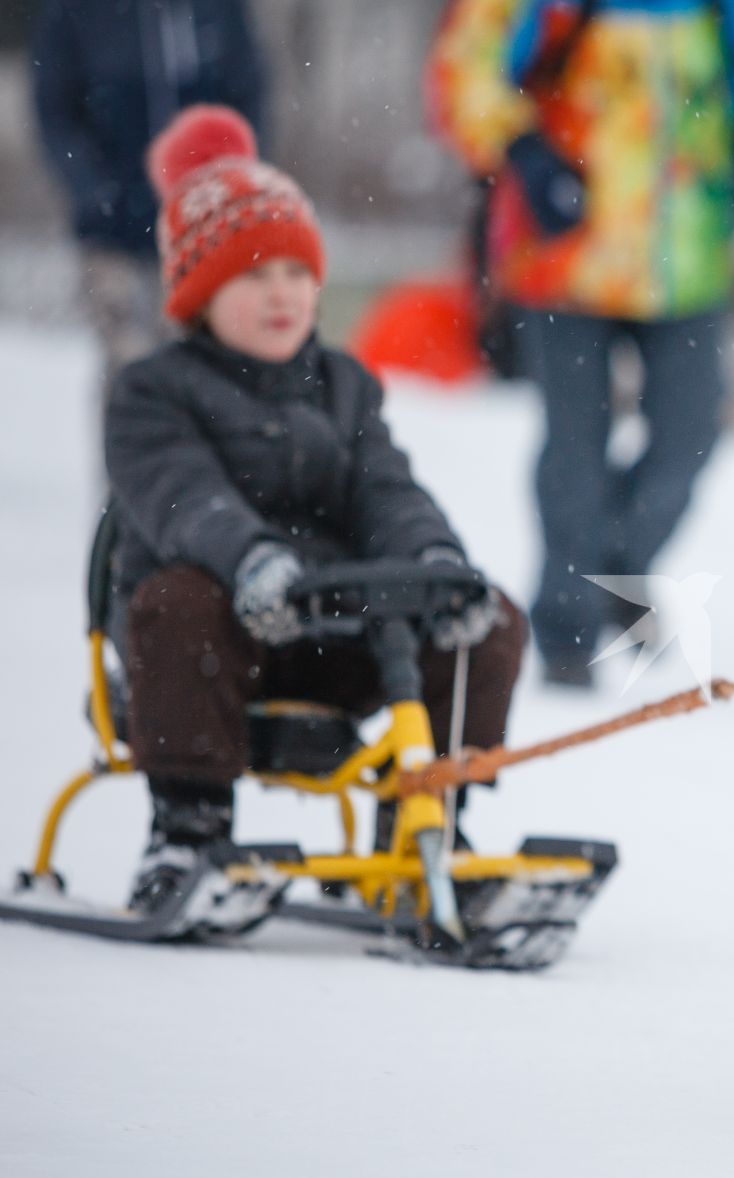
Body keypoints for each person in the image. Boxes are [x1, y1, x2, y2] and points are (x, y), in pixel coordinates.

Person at [105, 105, 525, 908]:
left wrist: (436, 563)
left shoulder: (344, 385)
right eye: (253, 275)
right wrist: (255, 561)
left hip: (343, 631)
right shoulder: (150, 394)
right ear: (198, 290)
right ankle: (188, 833)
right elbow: (185, 497)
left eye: (297, 274)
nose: (282, 295)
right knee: (180, 604)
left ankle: (428, 816)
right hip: (219, 645)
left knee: (488, 620)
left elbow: (385, 487)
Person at [427, 0, 734, 687]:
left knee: (690, 433)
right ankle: (568, 631)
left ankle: (612, 570)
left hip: (688, 251)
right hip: (565, 254)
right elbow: (467, 67)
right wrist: (524, 150)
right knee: (576, 443)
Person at [31, 0, 268, 384]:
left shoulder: (219, 9)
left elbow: (248, 95)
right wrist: (94, 190)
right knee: (128, 368)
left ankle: (186, 443)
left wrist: (231, 182)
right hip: (110, 230)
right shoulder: (77, 10)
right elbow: (54, 109)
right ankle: (128, 440)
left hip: (200, 226)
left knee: (196, 369)